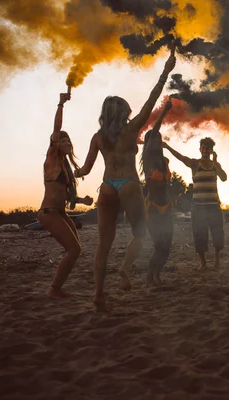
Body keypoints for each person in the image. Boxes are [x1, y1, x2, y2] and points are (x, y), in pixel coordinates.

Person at [75, 47, 177, 310]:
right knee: (140, 234)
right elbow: (152, 99)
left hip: (107, 186)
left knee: (103, 245)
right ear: (122, 114)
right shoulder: (131, 129)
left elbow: (86, 169)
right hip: (129, 184)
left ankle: (98, 295)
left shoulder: (98, 137)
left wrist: (73, 173)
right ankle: (124, 269)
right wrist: (165, 71)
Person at [38, 91, 93, 299]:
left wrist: (83, 201)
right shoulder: (52, 159)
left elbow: (67, 196)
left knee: (75, 248)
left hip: (61, 213)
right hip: (49, 212)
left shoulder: (66, 168)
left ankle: (58, 286)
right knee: (74, 250)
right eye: (63, 141)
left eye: (69, 141)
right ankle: (54, 289)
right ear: (55, 144)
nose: (67, 143)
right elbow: (56, 129)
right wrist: (61, 105)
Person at [163, 137, 227, 271]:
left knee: (217, 235)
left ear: (211, 150)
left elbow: (224, 178)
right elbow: (181, 157)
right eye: (203, 147)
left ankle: (216, 260)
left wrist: (215, 162)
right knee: (199, 235)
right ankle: (203, 263)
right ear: (200, 149)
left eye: (207, 148)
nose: (205, 150)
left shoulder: (216, 165)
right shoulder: (195, 164)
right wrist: (168, 147)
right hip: (198, 208)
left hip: (214, 207)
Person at [140, 98, 174, 286]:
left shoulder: (165, 161)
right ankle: (150, 276)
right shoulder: (147, 159)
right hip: (152, 208)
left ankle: (156, 274)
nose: (157, 141)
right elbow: (154, 131)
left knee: (166, 247)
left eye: (158, 139)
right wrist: (164, 112)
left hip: (167, 207)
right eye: (154, 139)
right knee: (158, 245)